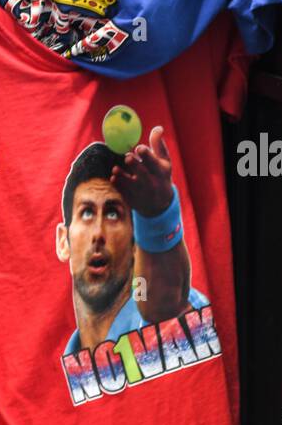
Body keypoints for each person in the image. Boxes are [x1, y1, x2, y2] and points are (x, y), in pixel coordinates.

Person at [56, 125, 208, 356]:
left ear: (137, 240)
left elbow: (167, 302)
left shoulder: (173, 309)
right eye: (86, 213)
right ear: (62, 241)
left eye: (113, 213)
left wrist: (157, 215)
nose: (98, 233)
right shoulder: (57, 371)